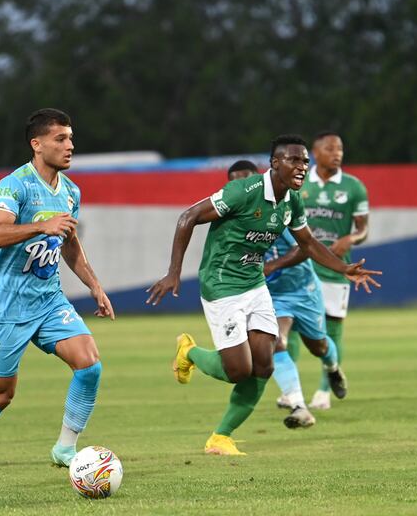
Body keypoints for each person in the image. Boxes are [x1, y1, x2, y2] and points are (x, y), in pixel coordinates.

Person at [146, 135, 381, 456]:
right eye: (294, 161)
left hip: (255, 285)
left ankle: (220, 437)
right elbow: (187, 217)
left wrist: (343, 268)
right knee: (238, 370)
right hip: (222, 283)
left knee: (264, 365)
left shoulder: (292, 201)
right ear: (275, 163)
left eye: (304, 162)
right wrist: (174, 272)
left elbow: (308, 244)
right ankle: (189, 353)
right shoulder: (243, 192)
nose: (301, 167)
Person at [0, 108, 115, 494]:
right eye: (60, 138)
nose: (70, 146)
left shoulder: (71, 191)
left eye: (71, 138)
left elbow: (70, 244)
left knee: (89, 364)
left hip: (48, 301)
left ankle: (65, 446)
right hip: (7, 307)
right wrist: (40, 225)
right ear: (37, 143)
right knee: (1, 395)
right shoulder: (14, 186)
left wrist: (95, 286)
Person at [223, 161, 345, 430]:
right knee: (275, 341)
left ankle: (333, 367)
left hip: (303, 289)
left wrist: (273, 265)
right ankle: (299, 406)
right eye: (235, 182)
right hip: (272, 295)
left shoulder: (280, 207)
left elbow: (305, 248)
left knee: (319, 346)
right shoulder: (231, 215)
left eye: (246, 181)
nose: (241, 187)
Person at [297, 131, 369, 411]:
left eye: (340, 148)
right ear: (316, 153)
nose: (337, 153)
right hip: (300, 266)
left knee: (332, 329)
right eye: (330, 148)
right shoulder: (299, 184)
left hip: (336, 269)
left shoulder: (354, 187)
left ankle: (324, 390)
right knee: (289, 326)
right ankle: (291, 393)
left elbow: (363, 228)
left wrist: (350, 238)